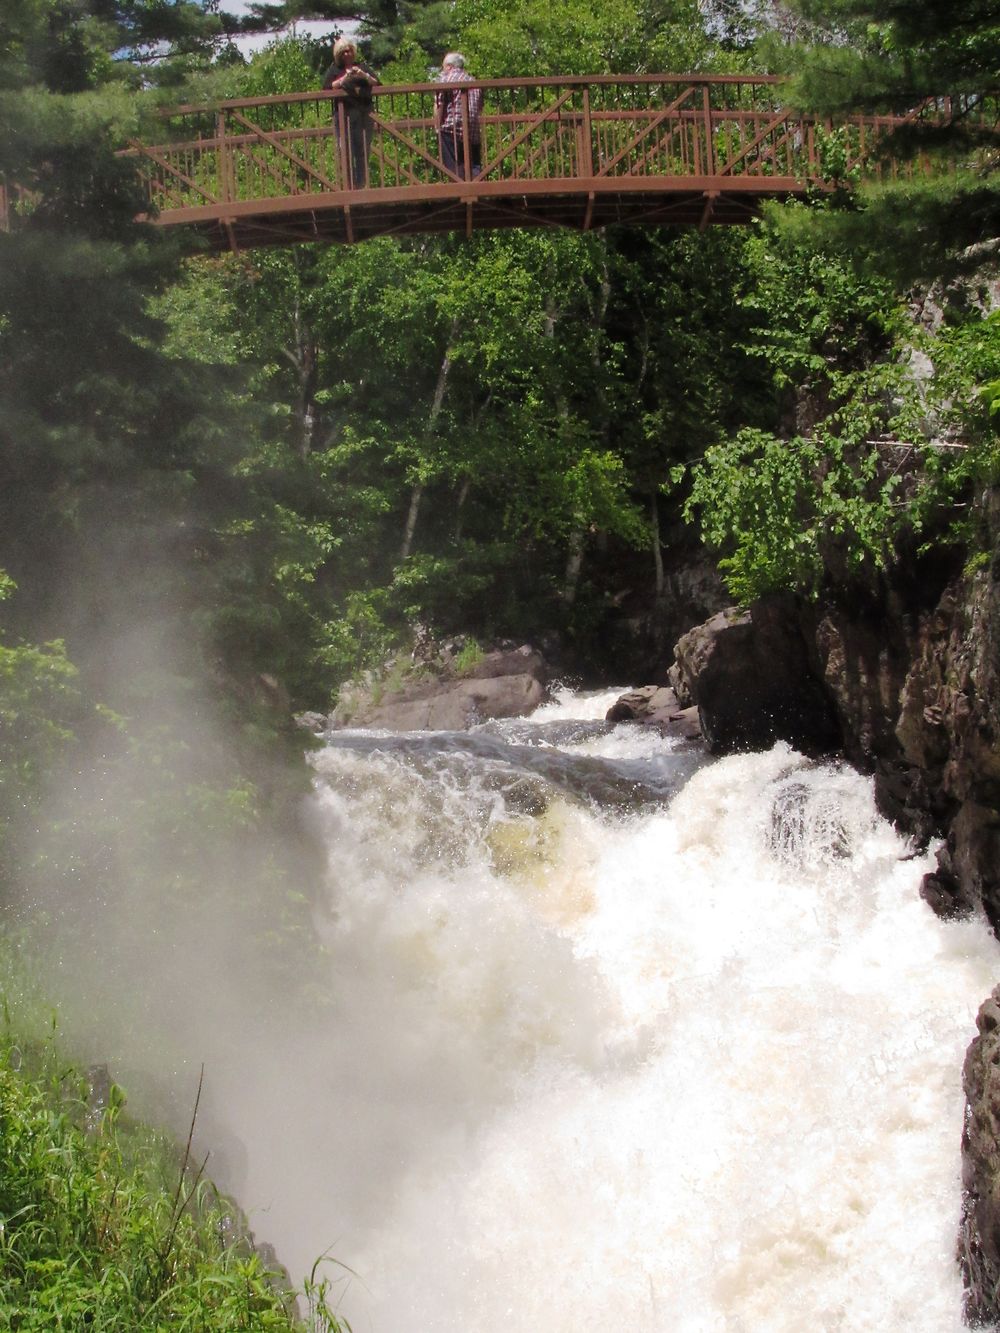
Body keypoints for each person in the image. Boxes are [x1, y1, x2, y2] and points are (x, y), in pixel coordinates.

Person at [323, 37, 381, 188]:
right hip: (344, 116)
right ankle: (349, 186)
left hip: (363, 114)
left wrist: (363, 75)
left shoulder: (361, 66)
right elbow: (326, 88)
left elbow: (377, 83)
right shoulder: (335, 69)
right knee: (345, 150)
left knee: (362, 149)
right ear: (339, 55)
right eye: (344, 52)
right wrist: (345, 78)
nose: (348, 54)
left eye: (349, 51)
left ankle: (361, 185)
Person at [434, 53, 482, 180]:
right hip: (473, 130)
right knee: (473, 165)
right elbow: (480, 107)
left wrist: (437, 126)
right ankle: (477, 185)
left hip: (452, 129)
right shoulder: (473, 81)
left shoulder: (446, 80)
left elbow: (440, 105)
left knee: (452, 166)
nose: (442, 70)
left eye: (443, 67)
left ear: (449, 66)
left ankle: (457, 186)